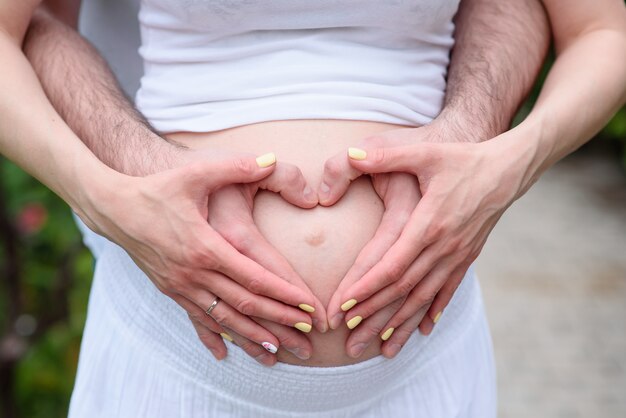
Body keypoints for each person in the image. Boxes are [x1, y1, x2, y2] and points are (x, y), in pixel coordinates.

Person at [0, 1, 622, 418]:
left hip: (423, 366)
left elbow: (600, 29)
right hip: (174, 358)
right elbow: (26, 24)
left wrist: (503, 165)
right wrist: (105, 193)